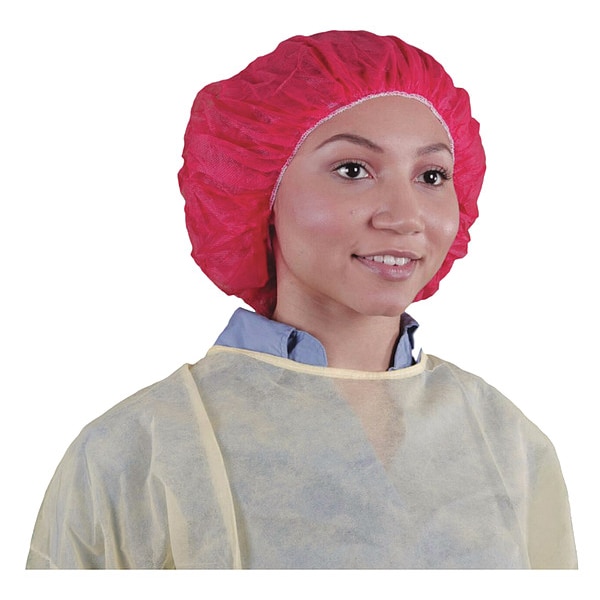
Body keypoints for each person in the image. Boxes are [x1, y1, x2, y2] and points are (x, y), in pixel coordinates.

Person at [26, 30, 577, 569]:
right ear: (260, 190)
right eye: (353, 170)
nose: (405, 216)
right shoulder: (137, 452)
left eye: (432, 176)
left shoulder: (508, 443)